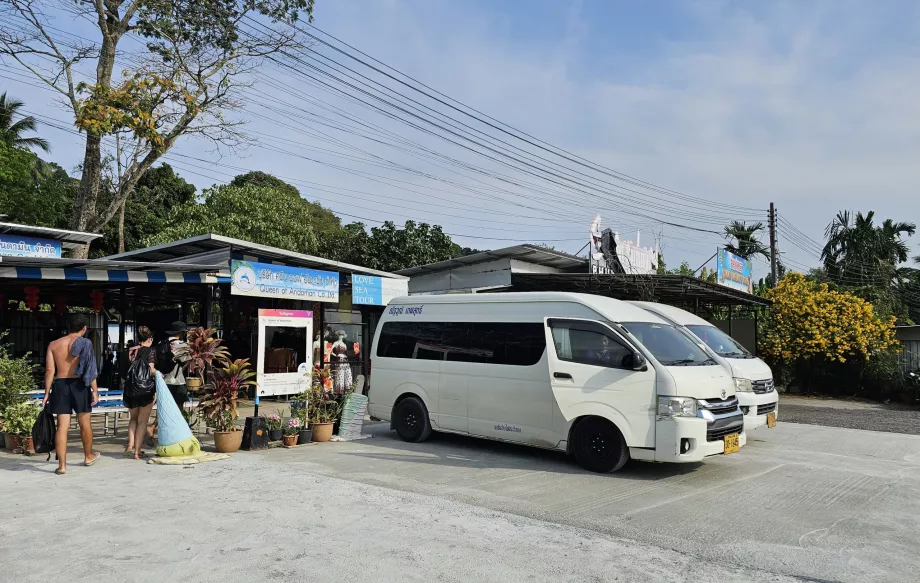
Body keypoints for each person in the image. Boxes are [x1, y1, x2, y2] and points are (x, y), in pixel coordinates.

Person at [42, 313, 101, 475]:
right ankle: (88, 457)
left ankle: (62, 466)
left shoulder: (53, 345)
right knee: (85, 423)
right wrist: (95, 391)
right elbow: (90, 370)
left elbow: (49, 371)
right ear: (84, 328)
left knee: (62, 427)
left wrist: (47, 393)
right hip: (80, 385)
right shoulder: (86, 343)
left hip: (60, 385)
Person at [146, 321, 189, 446]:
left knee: (164, 407)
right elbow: (187, 360)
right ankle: (169, 431)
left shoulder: (161, 343)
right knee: (179, 408)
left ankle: (154, 428)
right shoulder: (180, 345)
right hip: (177, 380)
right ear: (180, 333)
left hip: (162, 380)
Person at [124, 326, 156, 460]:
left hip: (131, 390)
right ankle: (137, 451)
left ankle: (130, 445)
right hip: (146, 390)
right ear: (150, 339)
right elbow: (151, 370)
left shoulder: (131, 351)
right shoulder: (151, 351)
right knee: (143, 422)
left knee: (133, 419)